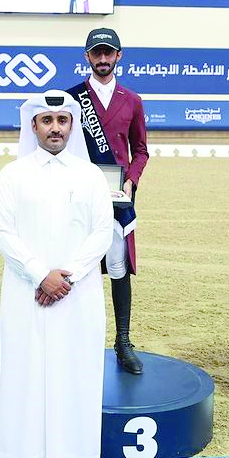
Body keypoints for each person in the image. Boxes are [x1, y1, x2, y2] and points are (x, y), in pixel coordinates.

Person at [0, 91, 114, 458]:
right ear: (33, 126)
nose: (55, 128)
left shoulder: (91, 175)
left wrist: (68, 276)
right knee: (24, 374)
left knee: (77, 372)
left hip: (77, 296)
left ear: (72, 126)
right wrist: (39, 273)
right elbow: (3, 232)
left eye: (63, 120)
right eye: (47, 121)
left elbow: (101, 233)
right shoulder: (13, 174)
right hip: (26, 294)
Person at [67, 27, 150, 375]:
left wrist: (131, 181)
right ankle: (74, 339)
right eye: (96, 53)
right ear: (87, 57)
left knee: (117, 269)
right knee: (76, 268)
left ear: (119, 56)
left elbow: (141, 150)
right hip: (78, 200)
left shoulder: (132, 101)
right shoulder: (71, 99)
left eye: (109, 53)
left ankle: (123, 341)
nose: (103, 59)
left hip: (117, 200)